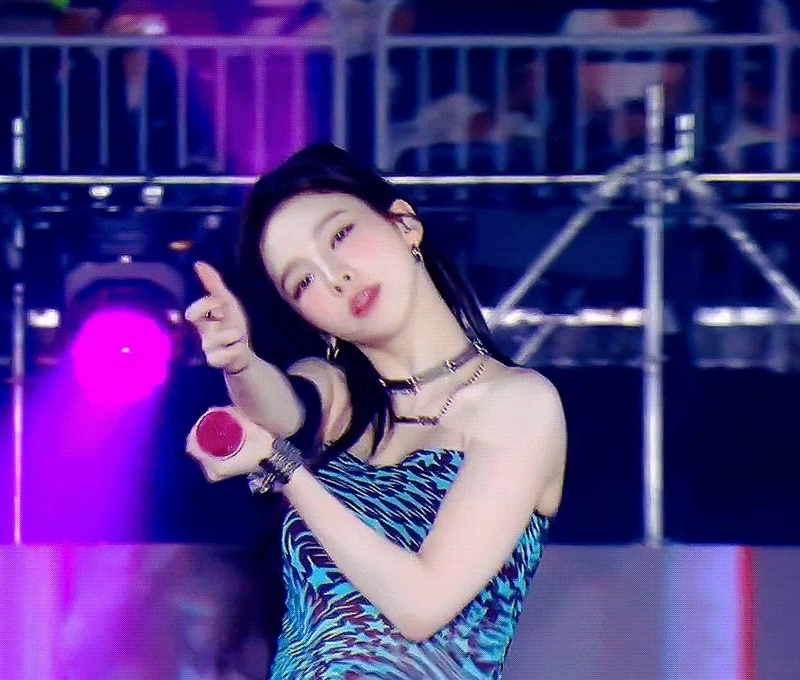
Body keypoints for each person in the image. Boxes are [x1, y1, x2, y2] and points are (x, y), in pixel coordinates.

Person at [184, 142, 566, 679]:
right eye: (303, 281)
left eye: (340, 236)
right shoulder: (338, 394)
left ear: (404, 224)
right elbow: (283, 410)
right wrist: (240, 361)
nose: (336, 276)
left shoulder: (519, 404)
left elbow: (422, 604)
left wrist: (285, 468)